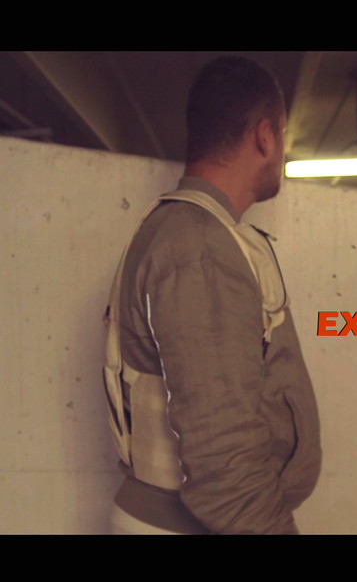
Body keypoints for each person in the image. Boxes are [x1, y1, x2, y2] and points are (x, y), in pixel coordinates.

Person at [104, 56, 322, 535]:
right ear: (265, 136)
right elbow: (224, 457)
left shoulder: (191, 235)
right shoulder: (200, 249)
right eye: (283, 135)